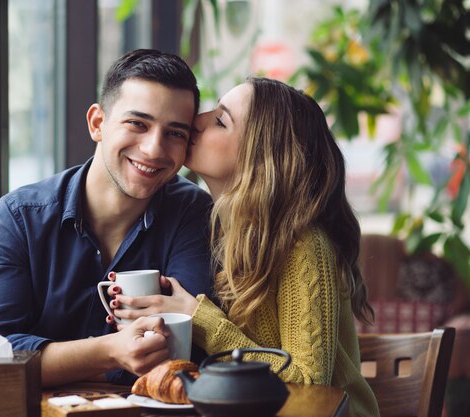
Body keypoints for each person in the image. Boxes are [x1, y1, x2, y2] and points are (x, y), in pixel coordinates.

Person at [108, 77, 380, 416]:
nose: (198, 120)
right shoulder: (225, 234)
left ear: (261, 158)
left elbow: (309, 384)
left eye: (220, 120)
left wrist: (200, 318)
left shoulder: (304, 246)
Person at [0, 49, 213, 387]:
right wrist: (110, 351)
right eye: (137, 123)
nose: (154, 149)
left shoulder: (192, 213)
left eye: (175, 133)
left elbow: (187, 347)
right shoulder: (19, 218)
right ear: (97, 124)